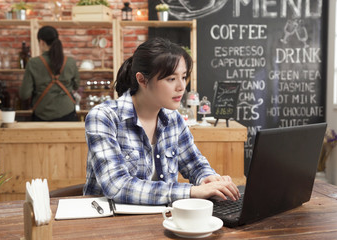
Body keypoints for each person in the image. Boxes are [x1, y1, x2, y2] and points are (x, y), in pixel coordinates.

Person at [83, 38, 240, 205]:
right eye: (171, 79)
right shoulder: (104, 117)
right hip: (107, 222)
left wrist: (208, 179)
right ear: (142, 80)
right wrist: (192, 191)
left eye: (184, 77)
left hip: (162, 220)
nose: (181, 87)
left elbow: (195, 163)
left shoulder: (173, 119)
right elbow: (117, 186)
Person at [19, 25, 80, 121]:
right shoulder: (70, 62)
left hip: (42, 114)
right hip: (68, 113)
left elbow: (24, 94)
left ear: (42, 42)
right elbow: (76, 86)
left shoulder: (33, 63)